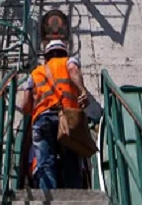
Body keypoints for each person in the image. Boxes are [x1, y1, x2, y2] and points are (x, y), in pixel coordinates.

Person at [16, 39, 90, 189]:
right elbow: (73, 71)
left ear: (46, 56)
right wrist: (82, 91)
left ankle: (48, 198)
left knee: (45, 163)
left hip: (42, 119)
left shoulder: (35, 73)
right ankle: (74, 198)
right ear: (64, 52)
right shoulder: (69, 61)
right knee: (71, 162)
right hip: (68, 117)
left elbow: (25, 106)